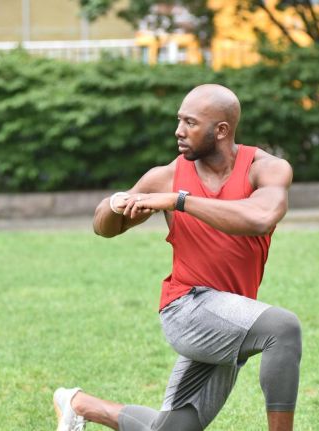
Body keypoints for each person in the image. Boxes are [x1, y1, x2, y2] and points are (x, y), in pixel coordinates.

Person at [54, 84, 302, 431]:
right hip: (187, 308)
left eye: (190, 123)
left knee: (173, 429)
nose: (178, 131)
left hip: (233, 314)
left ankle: (79, 404)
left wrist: (179, 201)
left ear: (221, 131)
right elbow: (103, 226)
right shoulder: (167, 176)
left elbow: (260, 218)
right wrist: (116, 204)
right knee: (282, 328)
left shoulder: (265, 168)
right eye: (179, 121)